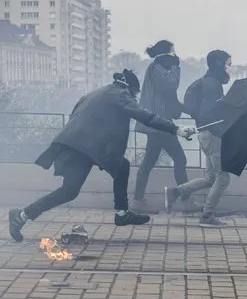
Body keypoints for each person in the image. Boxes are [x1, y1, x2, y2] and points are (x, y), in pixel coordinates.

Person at [7, 70, 196, 242]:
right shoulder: (120, 95)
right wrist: (176, 129)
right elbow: (143, 115)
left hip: (80, 146)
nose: (134, 99)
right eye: (135, 95)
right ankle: (121, 214)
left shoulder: (96, 93)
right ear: (129, 89)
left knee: (77, 188)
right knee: (110, 172)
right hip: (85, 147)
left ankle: (22, 215)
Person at [165, 50, 233, 227]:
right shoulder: (213, 85)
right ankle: (207, 216)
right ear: (219, 64)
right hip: (213, 134)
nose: (229, 68)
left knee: (211, 177)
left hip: (204, 133)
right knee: (223, 178)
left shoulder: (205, 82)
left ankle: (175, 192)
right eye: (227, 64)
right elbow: (209, 112)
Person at [132, 40, 197, 214]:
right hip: (159, 124)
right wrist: (177, 68)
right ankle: (186, 201)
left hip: (157, 124)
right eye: (173, 53)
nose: (176, 56)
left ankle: (138, 200)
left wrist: (187, 110)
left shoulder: (158, 68)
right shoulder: (156, 69)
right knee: (180, 159)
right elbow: (170, 86)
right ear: (165, 54)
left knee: (148, 162)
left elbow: (170, 98)